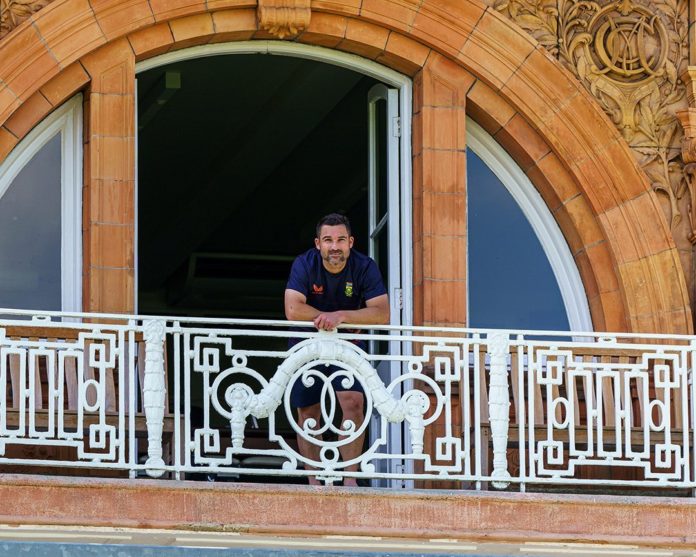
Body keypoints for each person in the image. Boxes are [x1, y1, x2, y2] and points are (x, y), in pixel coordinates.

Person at [284, 213, 390, 486]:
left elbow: (382, 313)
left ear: (351, 242)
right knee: (308, 411)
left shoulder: (364, 266)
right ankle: (314, 482)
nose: (335, 246)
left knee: (354, 403)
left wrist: (341, 317)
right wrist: (326, 320)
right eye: (328, 240)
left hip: (349, 343)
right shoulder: (304, 264)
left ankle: (350, 479)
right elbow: (293, 308)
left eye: (341, 240)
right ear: (318, 243)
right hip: (307, 344)